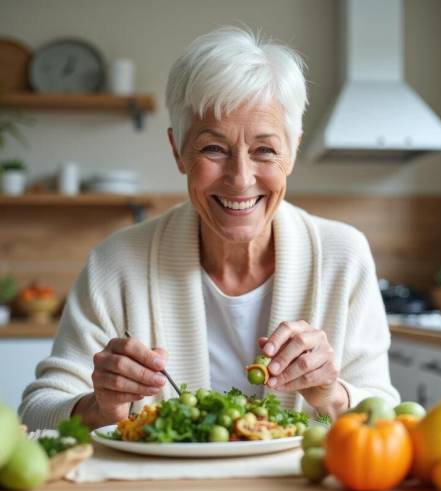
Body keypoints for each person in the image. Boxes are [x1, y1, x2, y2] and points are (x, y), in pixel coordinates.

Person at [20, 27, 399, 430]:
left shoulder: (344, 255)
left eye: (265, 150)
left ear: (292, 151)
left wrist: (332, 394)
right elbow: (37, 411)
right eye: (213, 148)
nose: (240, 178)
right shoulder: (115, 264)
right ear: (178, 150)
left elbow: (388, 417)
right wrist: (99, 407)